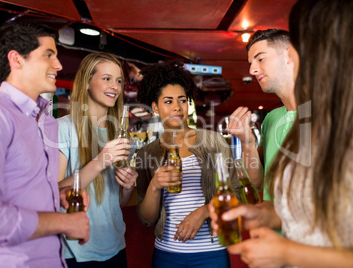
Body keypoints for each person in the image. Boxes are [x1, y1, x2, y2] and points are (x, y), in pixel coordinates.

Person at [209, 0, 353, 267]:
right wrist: (268, 216)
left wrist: (288, 252)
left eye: (301, 41)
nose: (252, 69)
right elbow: (313, 209)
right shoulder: (301, 118)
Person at [0, 22, 90, 267]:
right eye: (49, 55)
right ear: (16, 60)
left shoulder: (47, 122)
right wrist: (64, 222)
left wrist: (55, 196)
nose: (58, 65)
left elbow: (20, 188)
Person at [135, 61, 242, 268]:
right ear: (155, 107)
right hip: (167, 254)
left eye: (182, 100)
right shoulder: (146, 153)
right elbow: (147, 218)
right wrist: (155, 185)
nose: (177, 107)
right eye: (168, 101)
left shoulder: (213, 142)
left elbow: (236, 194)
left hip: (211, 253)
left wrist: (203, 212)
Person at [57, 52, 137, 267]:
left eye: (119, 80)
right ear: (86, 82)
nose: (115, 86)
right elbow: (52, 192)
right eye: (107, 78)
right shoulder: (63, 128)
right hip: (75, 250)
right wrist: (101, 161)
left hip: (115, 246)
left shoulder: (120, 136)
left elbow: (117, 202)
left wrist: (128, 186)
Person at [228, 29, 298, 202]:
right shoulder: (271, 118)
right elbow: (257, 183)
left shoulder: (329, 113)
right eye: (251, 63)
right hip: (271, 230)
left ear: (290, 55)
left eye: (260, 58)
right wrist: (247, 143)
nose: (252, 70)